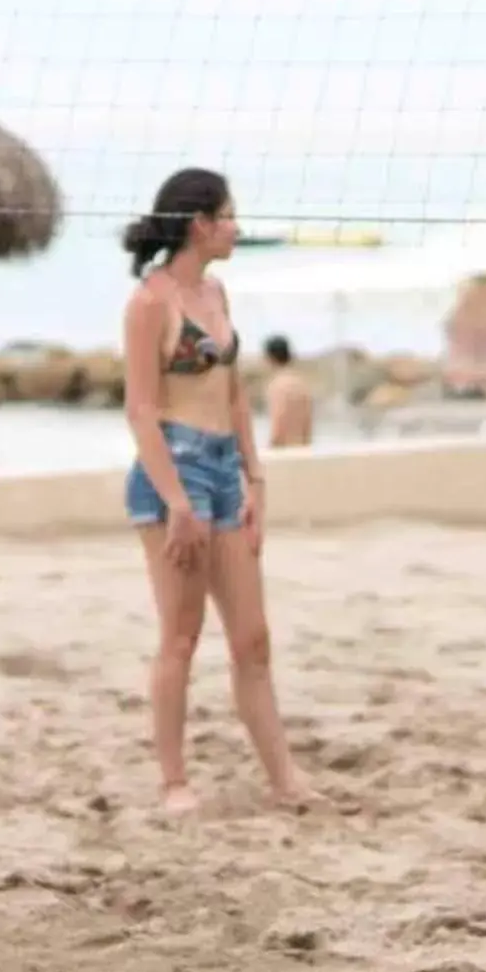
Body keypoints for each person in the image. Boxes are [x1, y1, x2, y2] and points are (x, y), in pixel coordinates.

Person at [121, 168, 316, 815]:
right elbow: (141, 410)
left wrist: (255, 475)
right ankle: (174, 783)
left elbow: (233, 395)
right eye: (229, 216)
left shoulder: (216, 293)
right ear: (201, 224)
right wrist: (176, 501)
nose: (237, 227)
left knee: (252, 638)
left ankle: (284, 778)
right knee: (181, 633)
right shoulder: (151, 303)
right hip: (171, 470)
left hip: (223, 468)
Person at [261, 335, 315, 451]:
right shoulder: (302, 384)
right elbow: (308, 422)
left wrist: (271, 447)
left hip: (284, 450)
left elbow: (278, 421)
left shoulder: (277, 386)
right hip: (303, 449)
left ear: (271, 358)